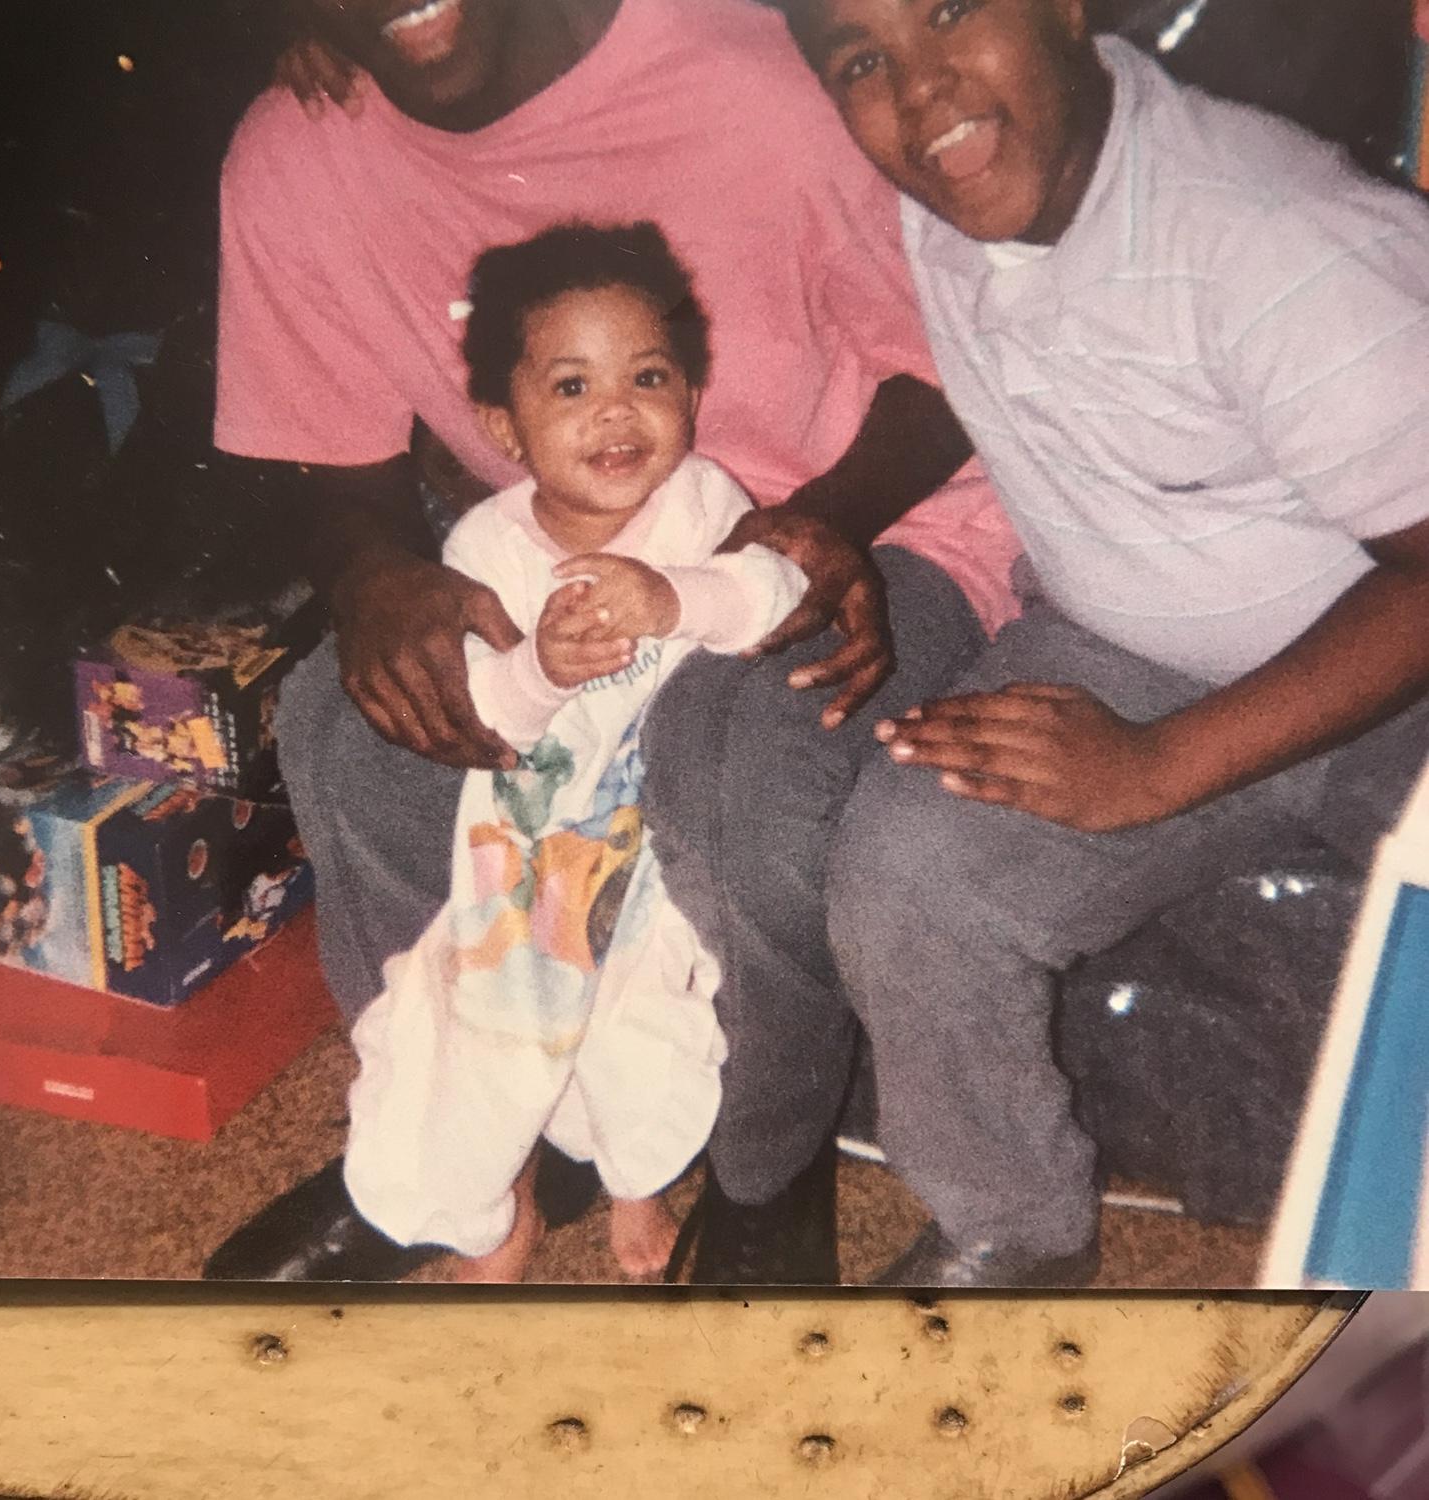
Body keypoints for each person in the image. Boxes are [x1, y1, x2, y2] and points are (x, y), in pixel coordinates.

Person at [202, 0, 1024, 1284]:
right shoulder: (301, 152)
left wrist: (806, 537)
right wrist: (374, 577)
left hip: (869, 519)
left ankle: (764, 1172)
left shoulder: (748, 77)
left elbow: (958, 351)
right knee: (351, 727)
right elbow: (338, 460)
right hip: (577, 556)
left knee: (741, 764)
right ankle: (471, 1151)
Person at [765, 0, 1429, 1285]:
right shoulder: (950, 188)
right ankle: (1010, 1232)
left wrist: (1159, 765)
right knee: (911, 872)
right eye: (865, 61)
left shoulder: (1274, 236)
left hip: (1394, 665)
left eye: (951, 10)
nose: (922, 90)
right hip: (1127, 645)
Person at [343, 220, 809, 1281]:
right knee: (489, 1034)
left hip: (657, 841)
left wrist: (676, 597)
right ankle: (495, 1202)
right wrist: (542, 669)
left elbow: (777, 591)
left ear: (692, 393)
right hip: (527, 851)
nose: (615, 411)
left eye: (648, 376)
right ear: (503, 428)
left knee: (645, 1029)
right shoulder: (487, 548)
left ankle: (636, 1180)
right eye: (570, 387)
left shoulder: (702, 505)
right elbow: (482, 714)